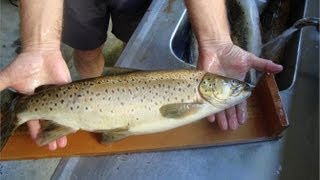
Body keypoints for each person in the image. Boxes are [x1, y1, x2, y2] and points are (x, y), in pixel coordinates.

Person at [0, 0, 282, 151]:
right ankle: (19, 107)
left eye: (231, 87)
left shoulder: (198, 90)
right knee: (85, 51)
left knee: (131, 38)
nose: (238, 88)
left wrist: (218, 41)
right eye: (232, 86)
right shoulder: (198, 96)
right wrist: (39, 46)